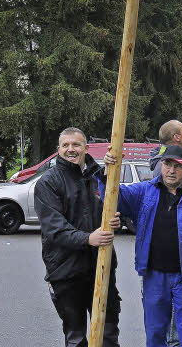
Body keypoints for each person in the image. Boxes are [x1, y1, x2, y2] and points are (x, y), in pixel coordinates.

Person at [112, 139, 182, 347]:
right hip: (154, 277)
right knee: (155, 335)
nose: (171, 170)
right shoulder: (144, 192)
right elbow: (115, 195)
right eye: (167, 164)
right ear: (161, 164)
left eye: (178, 166)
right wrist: (110, 170)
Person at [35, 127, 121, 347]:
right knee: (76, 337)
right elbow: (54, 228)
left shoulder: (99, 178)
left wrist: (115, 222)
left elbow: (115, 208)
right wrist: (87, 239)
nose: (70, 149)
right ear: (58, 150)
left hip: (101, 265)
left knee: (108, 333)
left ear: (86, 148)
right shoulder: (48, 182)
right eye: (66, 145)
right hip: (66, 270)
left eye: (76, 145)